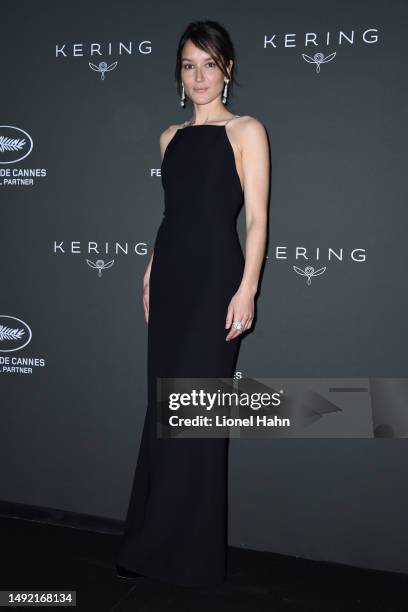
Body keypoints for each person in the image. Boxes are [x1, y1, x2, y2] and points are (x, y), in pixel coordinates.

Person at [116, 19, 269, 588]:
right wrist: (153, 268)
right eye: (188, 65)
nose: (199, 75)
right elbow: (173, 213)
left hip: (215, 282)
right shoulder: (169, 138)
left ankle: (192, 555)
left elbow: (255, 217)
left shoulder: (247, 131)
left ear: (227, 70)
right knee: (165, 410)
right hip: (173, 279)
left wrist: (248, 286)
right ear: (179, 76)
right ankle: (150, 543)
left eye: (209, 64)